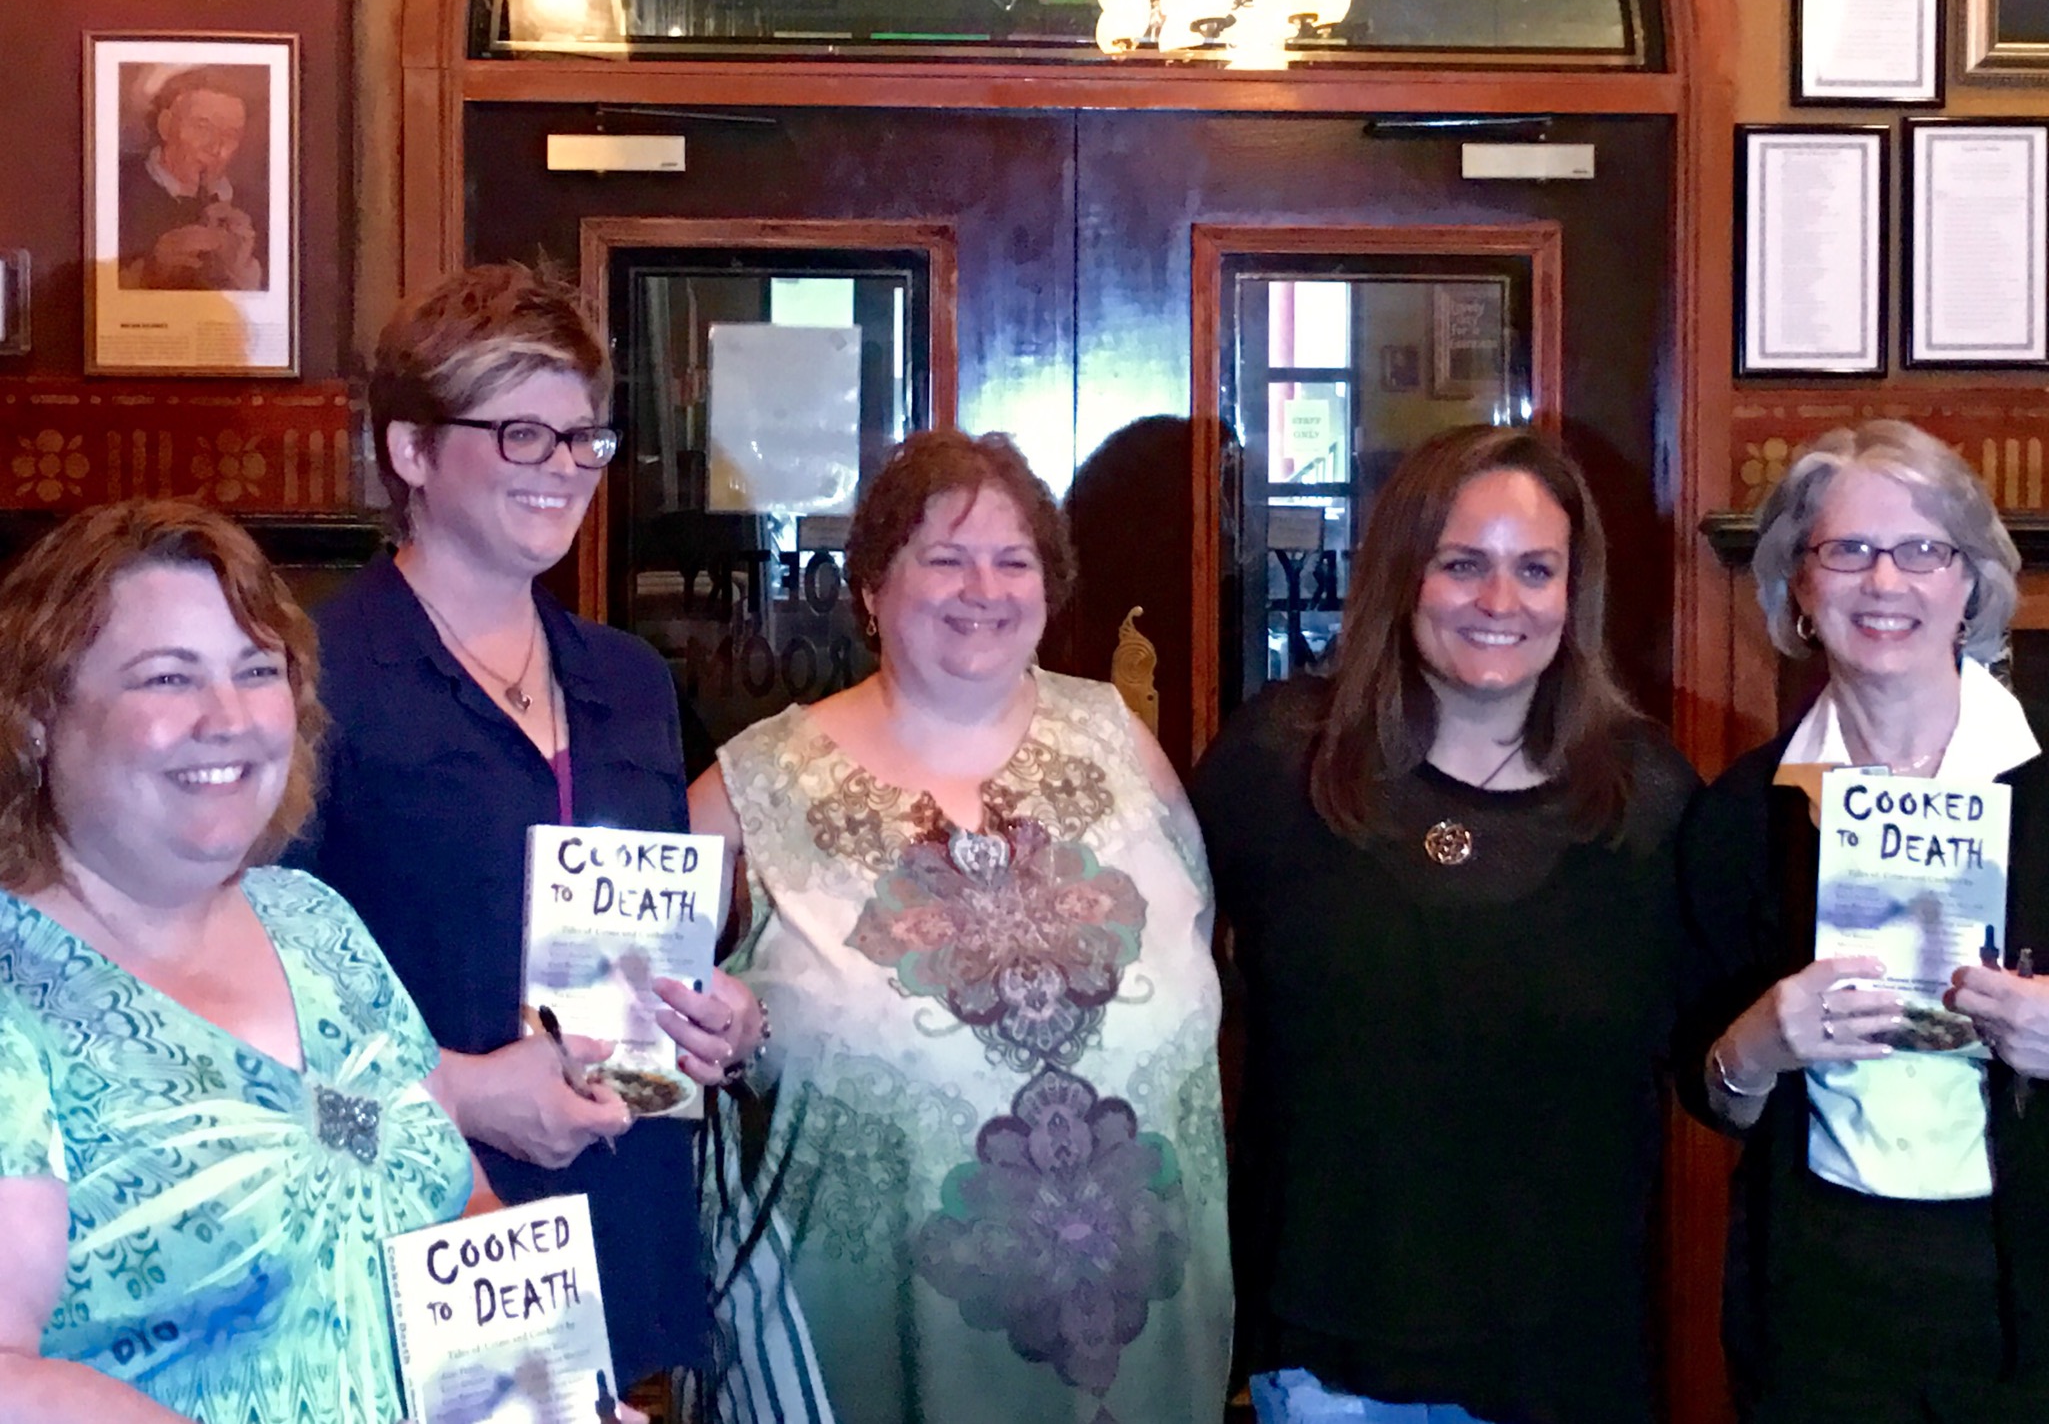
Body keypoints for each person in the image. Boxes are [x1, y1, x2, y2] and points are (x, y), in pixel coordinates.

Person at [690, 427, 1231, 1424]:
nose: (983, 589)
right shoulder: (750, 790)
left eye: (1013, 561)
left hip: (1139, 1356)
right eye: (944, 558)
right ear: (871, 587)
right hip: (856, 1348)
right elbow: (631, 1041)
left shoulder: (1122, 744)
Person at [295, 262, 759, 1408]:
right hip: (416, 1252)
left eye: (583, 438)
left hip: (625, 1241)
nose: (562, 468)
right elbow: (226, 1026)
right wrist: (453, 1091)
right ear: (411, 450)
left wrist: (718, 1018)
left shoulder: (630, 681)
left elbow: (646, 950)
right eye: (520, 435)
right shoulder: (304, 682)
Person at [1187, 424, 1697, 1424]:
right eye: (1462, 564)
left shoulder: (1649, 798)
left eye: (1535, 570)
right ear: (1402, 575)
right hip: (1331, 1351)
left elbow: (1708, 1059)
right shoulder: (1279, 763)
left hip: (1564, 1356)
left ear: (1573, 592)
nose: (1500, 602)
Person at [0, 500, 473, 1422]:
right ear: (38, 717)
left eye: (257, 670)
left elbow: (446, 1196)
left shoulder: (315, 924)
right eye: (167, 677)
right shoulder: (19, 990)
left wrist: (546, 1384)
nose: (228, 717)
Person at [1677, 420, 2049, 1422]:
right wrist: (1757, 1045)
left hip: (2029, 1291)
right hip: (1820, 1298)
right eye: (1846, 550)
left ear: (1970, 584)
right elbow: (1707, 1089)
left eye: (1923, 550)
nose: (1885, 582)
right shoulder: (1742, 813)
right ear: (1799, 588)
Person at [117, 68, 266, 292]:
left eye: (230, 135)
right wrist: (151, 270)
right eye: (202, 128)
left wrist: (242, 272)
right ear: (165, 126)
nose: (215, 147)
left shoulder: (256, 210)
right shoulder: (118, 188)